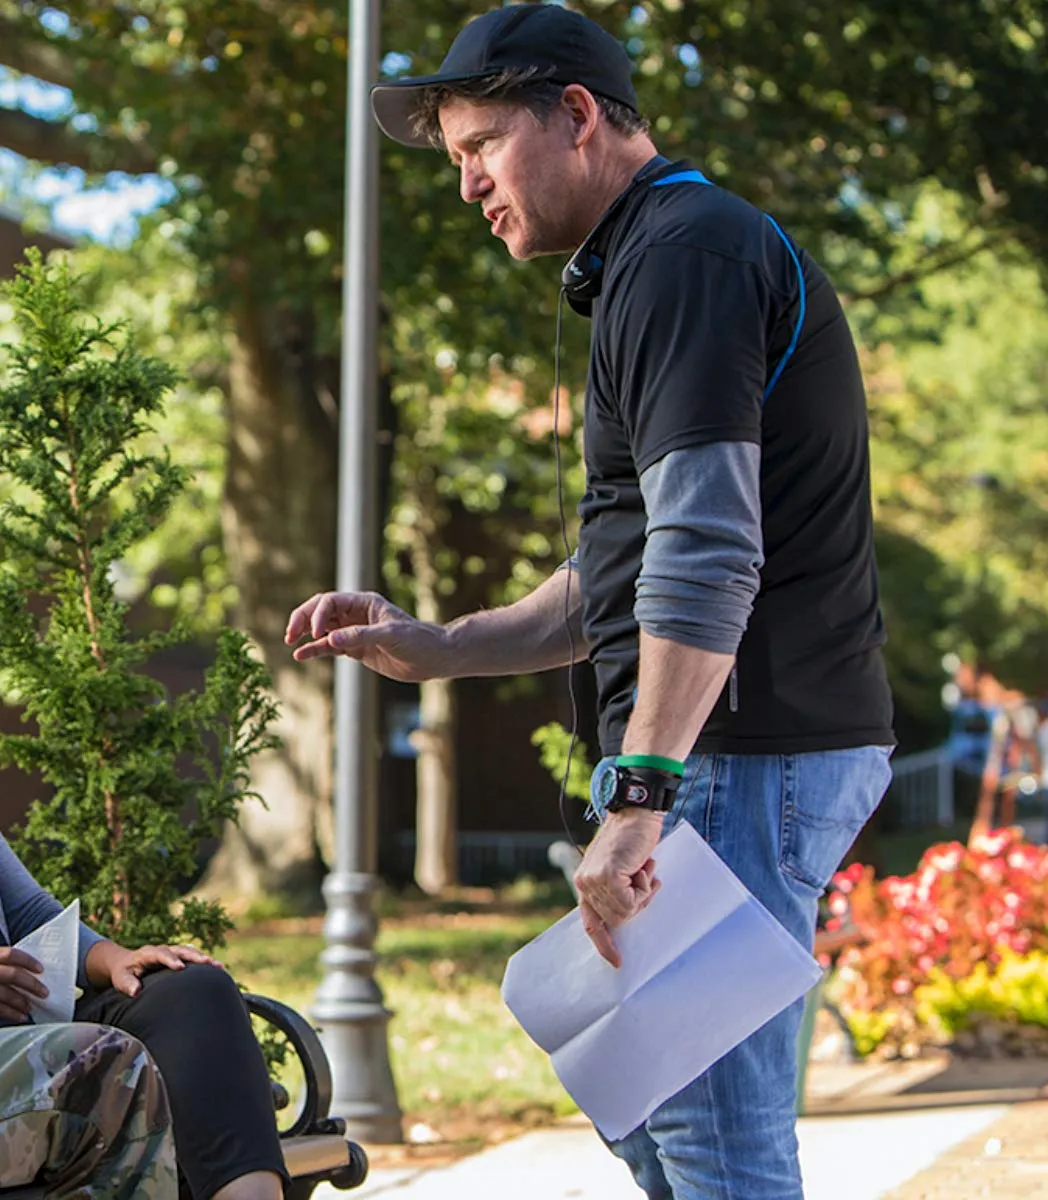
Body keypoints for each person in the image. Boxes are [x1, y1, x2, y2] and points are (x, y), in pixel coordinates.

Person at [286, 5, 895, 1197]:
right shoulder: (654, 262)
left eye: (480, 147)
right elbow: (620, 569)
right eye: (454, 157)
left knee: (713, 1141)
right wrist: (442, 644)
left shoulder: (685, 256)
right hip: (730, 754)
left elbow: (705, 550)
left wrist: (640, 795)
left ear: (574, 115)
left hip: (739, 755)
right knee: (656, 1120)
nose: (466, 185)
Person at [0, 831, 288, 1200]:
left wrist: (118, 959)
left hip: (23, 1029)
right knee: (103, 1056)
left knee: (195, 991)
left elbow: (30, 914)